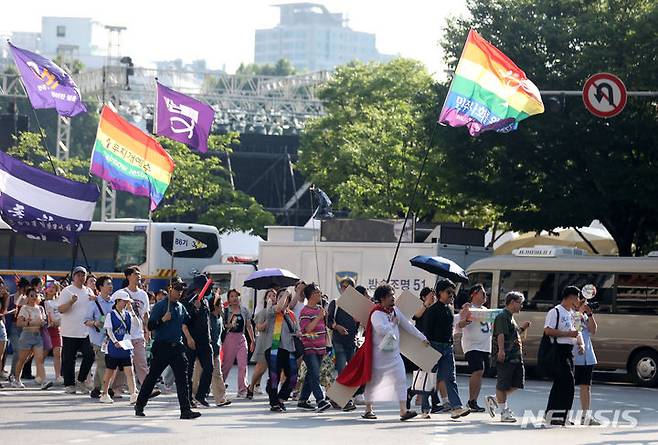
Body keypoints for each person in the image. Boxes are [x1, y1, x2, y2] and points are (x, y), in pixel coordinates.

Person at [337, 284, 428, 421]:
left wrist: (422, 338)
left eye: (393, 294)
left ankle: (403, 411)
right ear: (382, 298)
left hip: (394, 355)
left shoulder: (395, 311)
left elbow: (407, 325)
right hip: (378, 357)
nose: (393, 297)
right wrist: (393, 324)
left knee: (401, 379)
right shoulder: (376, 313)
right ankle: (368, 410)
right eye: (390, 295)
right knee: (373, 383)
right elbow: (382, 330)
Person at [134, 278, 200, 419]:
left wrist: (195, 308)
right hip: (162, 346)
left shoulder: (181, 307)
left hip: (177, 347)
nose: (180, 293)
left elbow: (189, 321)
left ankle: (185, 410)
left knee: (183, 379)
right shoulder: (161, 306)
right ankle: (140, 404)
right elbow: (150, 326)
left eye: (181, 290)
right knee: (152, 377)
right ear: (170, 289)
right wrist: (162, 320)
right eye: (177, 290)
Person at [421, 279, 471, 419]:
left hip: (448, 347)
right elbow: (427, 331)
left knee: (450, 378)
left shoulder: (449, 309)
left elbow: (453, 326)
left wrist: (464, 321)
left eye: (453, 293)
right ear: (439, 293)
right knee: (430, 378)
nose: (452, 295)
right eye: (448, 292)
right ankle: (425, 408)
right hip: (433, 346)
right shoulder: (432, 310)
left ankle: (456, 407)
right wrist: (428, 348)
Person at [486, 291, 531, 423]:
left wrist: (522, 328)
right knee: (503, 384)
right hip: (507, 355)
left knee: (518, 383)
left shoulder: (510, 317)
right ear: (512, 302)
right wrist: (501, 351)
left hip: (516, 355)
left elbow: (513, 334)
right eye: (519, 303)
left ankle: (494, 399)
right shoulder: (502, 316)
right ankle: (503, 412)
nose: (521, 306)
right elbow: (501, 334)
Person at [543, 286, 584, 426]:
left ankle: (557, 415)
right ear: (571, 297)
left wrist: (581, 344)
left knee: (561, 384)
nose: (578, 301)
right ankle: (558, 415)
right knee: (568, 383)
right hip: (558, 350)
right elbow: (548, 331)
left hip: (569, 351)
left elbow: (579, 331)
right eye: (577, 297)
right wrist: (568, 334)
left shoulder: (574, 313)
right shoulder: (555, 311)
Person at [57, 266, 95, 394]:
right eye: (78, 275)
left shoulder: (89, 291)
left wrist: (95, 300)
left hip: (86, 331)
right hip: (70, 330)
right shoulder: (67, 291)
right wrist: (71, 302)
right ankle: (69, 384)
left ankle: (81, 379)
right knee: (69, 359)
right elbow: (61, 309)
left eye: (83, 275)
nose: (81, 277)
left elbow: (94, 309)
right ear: (74, 277)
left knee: (90, 355)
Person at [100, 290, 141, 404]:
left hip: (126, 346)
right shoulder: (111, 314)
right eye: (124, 301)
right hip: (114, 348)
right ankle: (104, 393)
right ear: (118, 301)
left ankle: (133, 394)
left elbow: (137, 325)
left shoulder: (128, 314)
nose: (126, 303)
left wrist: (131, 310)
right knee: (109, 372)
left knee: (130, 371)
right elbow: (109, 329)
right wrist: (115, 341)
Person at [457, 283, 493, 413]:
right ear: (474, 294)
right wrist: (466, 319)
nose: (485, 296)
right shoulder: (468, 308)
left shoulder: (486, 310)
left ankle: (474, 401)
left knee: (481, 373)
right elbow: (459, 324)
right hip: (472, 345)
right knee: (477, 370)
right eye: (483, 293)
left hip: (485, 346)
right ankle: (471, 401)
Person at [264, 289, 300, 412]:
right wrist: (285, 293)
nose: (282, 299)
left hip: (289, 348)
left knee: (293, 376)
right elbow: (279, 307)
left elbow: (297, 330)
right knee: (275, 376)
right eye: (279, 297)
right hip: (274, 347)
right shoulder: (273, 310)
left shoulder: (291, 315)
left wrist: (299, 334)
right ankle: (274, 403)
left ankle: (280, 398)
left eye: (285, 298)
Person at [297, 283, 331, 412]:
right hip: (309, 347)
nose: (320, 294)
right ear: (311, 295)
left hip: (320, 348)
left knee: (311, 373)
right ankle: (320, 400)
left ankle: (303, 399)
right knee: (315, 373)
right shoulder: (305, 311)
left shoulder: (319, 309)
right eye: (317, 292)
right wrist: (318, 317)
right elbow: (307, 330)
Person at [326, 278, 359, 411]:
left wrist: (359, 321)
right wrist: (337, 326)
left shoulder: (356, 305)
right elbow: (328, 320)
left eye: (349, 287)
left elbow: (364, 322)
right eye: (343, 286)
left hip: (351, 342)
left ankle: (336, 398)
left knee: (351, 372)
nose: (346, 289)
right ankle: (342, 400)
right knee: (342, 371)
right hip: (338, 341)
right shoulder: (335, 302)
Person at [181, 275, 214, 408]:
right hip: (191, 341)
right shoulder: (188, 301)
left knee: (209, 368)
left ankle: (201, 395)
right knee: (188, 371)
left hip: (205, 341)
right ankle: (188, 398)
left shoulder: (205, 301)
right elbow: (184, 323)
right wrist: (189, 338)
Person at [13, 287, 52, 390]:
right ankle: (16, 379)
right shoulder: (24, 308)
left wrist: (43, 322)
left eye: (36, 295)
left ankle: (43, 381)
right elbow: (19, 323)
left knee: (39, 359)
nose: (34, 297)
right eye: (31, 295)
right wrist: (31, 322)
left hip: (38, 335)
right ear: (27, 296)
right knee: (22, 359)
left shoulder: (40, 308)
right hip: (27, 335)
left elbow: (43, 320)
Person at [85, 275, 115, 398]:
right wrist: (95, 323)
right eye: (108, 284)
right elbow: (86, 321)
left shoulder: (114, 302)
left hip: (111, 338)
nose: (111, 286)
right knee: (103, 363)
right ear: (100, 287)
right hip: (98, 339)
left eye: (111, 284)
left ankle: (96, 388)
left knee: (102, 363)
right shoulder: (93, 303)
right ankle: (107, 389)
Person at [120, 266, 151, 386]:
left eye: (139, 274)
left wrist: (147, 332)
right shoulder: (122, 293)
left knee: (142, 363)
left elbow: (145, 315)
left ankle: (146, 388)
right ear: (128, 276)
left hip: (138, 334)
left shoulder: (143, 294)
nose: (139, 276)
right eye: (135, 274)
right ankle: (115, 388)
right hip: (125, 335)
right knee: (124, 364)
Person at [221, 289, 255, 398]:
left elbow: (249, 326)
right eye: (232, 296)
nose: (234, 298)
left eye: (236, 296)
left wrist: (253, 340)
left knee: (243, 365)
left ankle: (242, 389)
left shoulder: (244, 310)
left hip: (241, 337)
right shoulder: (225, 311)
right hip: (229, 338)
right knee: (227, 365)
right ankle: (219, 386)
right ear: (228, 299)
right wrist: (227, 326)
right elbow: (221, 325)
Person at [202, 289, 231, 407]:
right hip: (205, 350)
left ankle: (221, 399)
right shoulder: (208, 318)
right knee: (198, 374)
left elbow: (221, 335)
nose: (223, 306)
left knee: (218, 374)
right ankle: (193, 396)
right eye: (220, 304)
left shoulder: (219, 318)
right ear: (215, 306)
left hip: (216, 351)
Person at [574, 294, 599, 426]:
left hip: (588, 356)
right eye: (584, 303)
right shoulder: (571, 314)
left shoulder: (584, 315)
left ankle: (585, 415)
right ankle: (562, 413)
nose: (586, 305)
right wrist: (580, 312)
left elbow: (593, 330)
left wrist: (590, 315)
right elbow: (576, 329)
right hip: (574, 355)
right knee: (568, 387)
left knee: (586, 386)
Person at [248, 288, 277, 399]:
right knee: (261, 368)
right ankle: (251, 387)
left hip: (275, 342)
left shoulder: (278, 311)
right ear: (265, 299)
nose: (272, 298)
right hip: (264, 342)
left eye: (274, 296)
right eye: (269, 296)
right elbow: (260, 328)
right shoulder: (263, 312)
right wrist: (268, 318)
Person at [43, 280, 63, 385]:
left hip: (57, 329)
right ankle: (40, 375)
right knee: (42, 354)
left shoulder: (59, 301)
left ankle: (58, 375)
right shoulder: (41, 301)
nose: (51, 289)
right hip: (45, 329)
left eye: (54, 287)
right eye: (49, 287)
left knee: (58, 353)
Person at [0, 277, 9, 382]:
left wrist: (6, 298)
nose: (2, 290)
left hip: (1, 325)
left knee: (1, 355)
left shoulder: (4, 297)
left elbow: (4, 312)